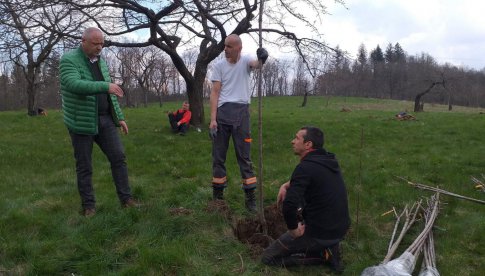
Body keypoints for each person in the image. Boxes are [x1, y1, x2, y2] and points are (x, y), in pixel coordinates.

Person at [60, 27, 138, 217]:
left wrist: (119, 117)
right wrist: (106, 86)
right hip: (81, 122)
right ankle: (89, 207)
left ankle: (126, 200)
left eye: (102, 43)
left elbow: (111, 95)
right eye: (95, 43)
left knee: (118, 158)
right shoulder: (68, 60)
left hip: (105, 120)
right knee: (85, 166)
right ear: (83, 41)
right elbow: (74, 85)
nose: (100, 47)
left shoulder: (101, 62)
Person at [261, 126, 351, 273]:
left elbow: (289, 205)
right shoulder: (327, 160)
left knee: (268, 258)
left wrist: (294, 230)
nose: (292, 141)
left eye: (297, 138)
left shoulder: (305, 168)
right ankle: (330, 245)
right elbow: (315, 179)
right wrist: (286, 185)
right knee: (304, 197)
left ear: (308, 144)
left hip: (320, 232)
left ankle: (322, 256)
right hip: (340, 227)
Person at [209, 34, 268, 212]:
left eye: (229, 46)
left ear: (238, 48)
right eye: (225, 46)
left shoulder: (246, 60)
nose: (225, 49)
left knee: (244, 157)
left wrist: (262, 58)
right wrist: (213, 120)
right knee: (218, 157)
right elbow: (215, 92)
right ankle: (218, 198)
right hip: (223, 114)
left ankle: (250, 199)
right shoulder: (218, 66)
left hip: (242, 114)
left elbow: (255, 65)